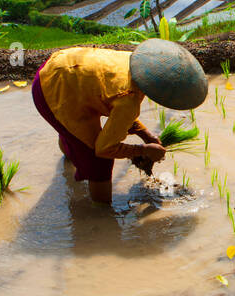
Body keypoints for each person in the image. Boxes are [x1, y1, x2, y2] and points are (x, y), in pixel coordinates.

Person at [31, 39, 208, 204]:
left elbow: (114, 101)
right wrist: (142, 150)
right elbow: (104, 149)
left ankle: (71, 156)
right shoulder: (129, 100)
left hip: (55, 68)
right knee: (98, 160)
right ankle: (100, 215)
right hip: (51, 92)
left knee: (74, 134)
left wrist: (145, 134)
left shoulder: (132, 63)